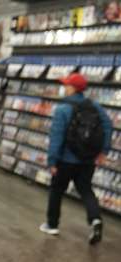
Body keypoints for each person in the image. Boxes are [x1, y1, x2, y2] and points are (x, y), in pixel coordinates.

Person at [40, 73, 111, 245]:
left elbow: (56, 136)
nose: (64, 87)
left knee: (57, 191)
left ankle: (52, 224)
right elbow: (108, 127)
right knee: (86, 190)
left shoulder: (63, 109)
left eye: (66, 85)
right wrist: (103, 152)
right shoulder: (96, 107)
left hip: (65, 160)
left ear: (72, 88)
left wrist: (52, 161)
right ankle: (95, 220)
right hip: (87, 160)